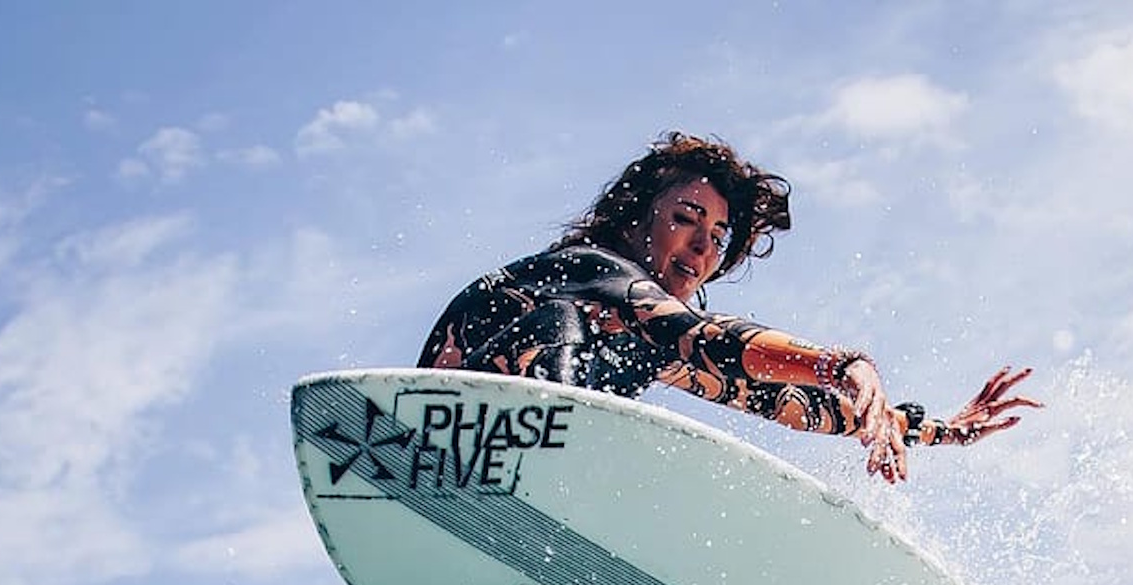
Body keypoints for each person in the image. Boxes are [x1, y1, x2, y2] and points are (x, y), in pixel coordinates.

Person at [419, 132, 1039, 484]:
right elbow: (708, 337)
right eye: (686, 219)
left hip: (515, 469)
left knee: (677, 384)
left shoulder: (643, 344)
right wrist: (839, 363)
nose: (702, 247)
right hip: (439, 435)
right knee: (589, 340)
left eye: (717, 237)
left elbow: (781, 401)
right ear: (636, 221)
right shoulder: (589, 268)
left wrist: (936, 429)